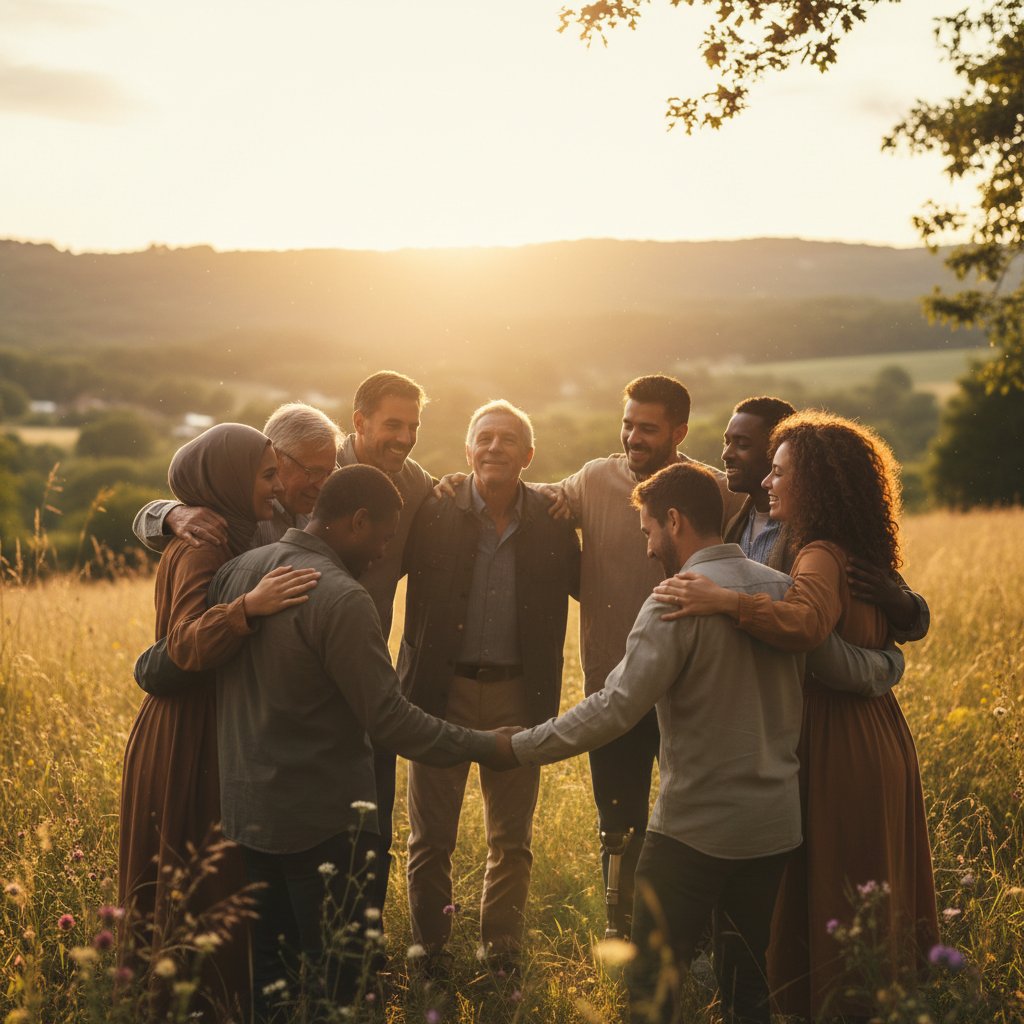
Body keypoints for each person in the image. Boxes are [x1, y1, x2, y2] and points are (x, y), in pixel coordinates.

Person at [205, 464, 516, 1019]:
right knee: (339, 991)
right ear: (357, 520)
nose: (381, 553)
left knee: (270, 986)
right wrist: (486, 746)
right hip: (322, 827)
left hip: (247, 819)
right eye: (382, 537)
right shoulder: (343, 598)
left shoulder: (238, 573)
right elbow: (390, 720)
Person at [655, 411, 939, 1018]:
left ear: (811, 481)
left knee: (831, 874)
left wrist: (725, 600)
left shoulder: (818, 552)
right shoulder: (851, 546)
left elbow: (809, 628)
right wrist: (888, 662)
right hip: (875, 732)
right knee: (861, 872)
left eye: (779, 471)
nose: (768, 482)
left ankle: (832, 1001)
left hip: (833, 736)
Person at [134, 374, 435, 910]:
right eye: (306, 473)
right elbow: (181, 508)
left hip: (359, 689)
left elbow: (462, 500)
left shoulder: (391, 490)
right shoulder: (252, 509)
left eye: (414, 426)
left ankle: (358, 955)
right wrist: (169, 512)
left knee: (369, 839)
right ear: (274, 462)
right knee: (272, 856)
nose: (320, 485)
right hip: (265, 707)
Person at [118, 423, 320, 1015]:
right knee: (197, 877)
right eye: (267, 475)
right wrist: (247, 609)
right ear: (234, 478)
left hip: (218, 723)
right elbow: (182, 644)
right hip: (189, 730)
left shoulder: (233, 524)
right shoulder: (207, 539)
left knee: (211, 881)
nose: (278, 485)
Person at [546, 375, 746, 939]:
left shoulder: (712, 490)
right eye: (628, 424)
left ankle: (697, 935)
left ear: (679, 431)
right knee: (619, 821)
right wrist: (454, 486)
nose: (633, 437)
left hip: (695, 689)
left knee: (697, 820)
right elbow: (538, 496)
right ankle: (623, 931)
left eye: (648, 428)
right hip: (613, 685)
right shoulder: (591, 479)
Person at [400, 400, 580, 972]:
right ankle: (431, 952)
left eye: (508, 439)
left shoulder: (554, 519)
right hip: (438, 695)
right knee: (431, 840)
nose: (495, 447)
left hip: (518, 696)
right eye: (485, 437)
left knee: (512, 839)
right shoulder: (432, 509)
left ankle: (500, 952)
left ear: (529, 456)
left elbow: (596, 580)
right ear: (467, 449)